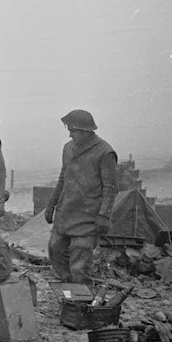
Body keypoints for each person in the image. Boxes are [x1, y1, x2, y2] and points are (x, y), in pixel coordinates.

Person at [45, 109, 118, 286]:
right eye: (68, 130)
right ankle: (70, 292)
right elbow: (63, 178)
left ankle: (82, 301)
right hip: (66, 213)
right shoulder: (68, 148)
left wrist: (103, 216)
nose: (70, 134)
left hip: (88, 217)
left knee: (79, 265)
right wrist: (51, 204)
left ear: (86, 131)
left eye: (73, 130)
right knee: (55, 250)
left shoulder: (105, 152)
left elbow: (111, 188)